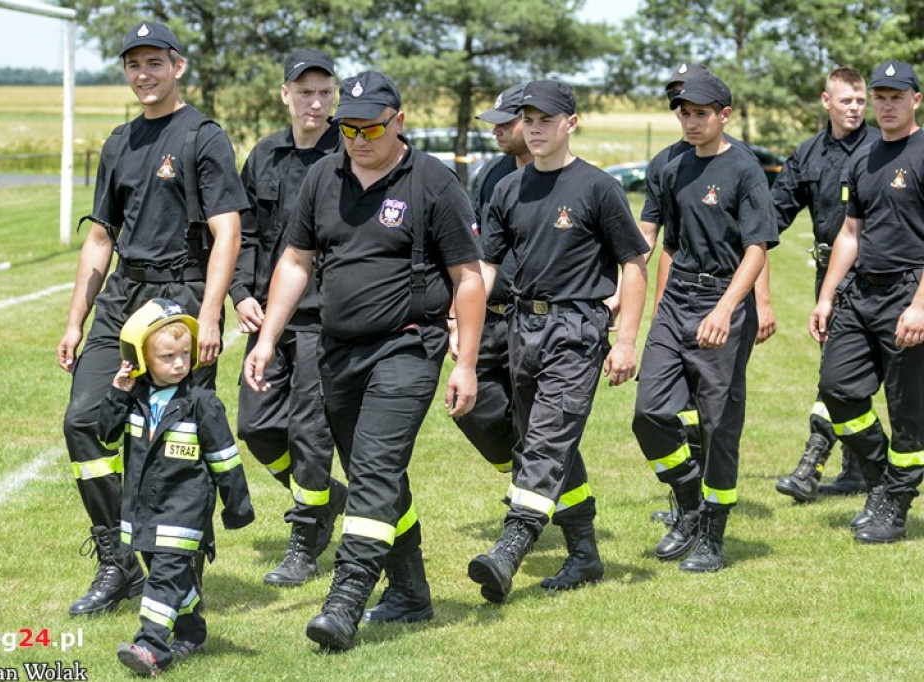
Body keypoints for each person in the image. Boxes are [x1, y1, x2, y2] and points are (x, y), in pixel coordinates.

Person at [244, 71, 485, 651]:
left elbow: (468, 278)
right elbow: (296, 261)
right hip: (336, 349)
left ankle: (347, 597)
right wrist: (267, 338)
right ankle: (410, 592)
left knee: (375, 468)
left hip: (407, 344)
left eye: (371, 127)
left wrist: (466, 361)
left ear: (399, 120)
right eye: (347, 127)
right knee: (374, 475)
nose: (358, 138)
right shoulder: (324, 176)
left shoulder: (433, 182)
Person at [56, 21, 245, 617]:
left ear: (178, 67)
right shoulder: (118, 141)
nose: (143, 74)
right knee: (85, 421)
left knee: (179, 441)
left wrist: (210, 314)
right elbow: (100, 238)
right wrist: (76, 321)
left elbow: (227, 232)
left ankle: (180, 566)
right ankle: (117, 562)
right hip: (122, 298)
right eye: (134, 64)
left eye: (154, 63)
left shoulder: (203, 137)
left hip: (179, 298)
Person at [471, 79, 649, 602]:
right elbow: (486, 268)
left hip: (577, 328)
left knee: (546, 440)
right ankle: (585, 554)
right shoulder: (507, 188)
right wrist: (463, 323)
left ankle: (510, 545)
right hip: (521, 329)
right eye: (528, 119)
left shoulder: (598, 187)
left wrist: (627, 340)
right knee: (544, 441)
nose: (534, 128)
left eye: (545, 119)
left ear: (571, 122)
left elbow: (634, 267)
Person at [632, 74, 778, 573]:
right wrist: (619, 289)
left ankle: (712, 535)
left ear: (724, 115)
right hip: (677, 301)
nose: (690, 121)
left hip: (724, 301)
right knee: (649, 412)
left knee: (718, 426)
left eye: (700, 112)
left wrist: (725, 308)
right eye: (683, 112)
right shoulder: (666, 163)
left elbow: (756, 248)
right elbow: (650, 237)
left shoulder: (745, 168)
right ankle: (689, 502)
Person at [230, 49, 346, 588]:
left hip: (327, 319)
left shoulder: (349, 154)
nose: (315, 103)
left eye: (324, 93)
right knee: (255, 426)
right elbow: (246, 234)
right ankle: (326, 499)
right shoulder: (264, 155)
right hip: (268, 317)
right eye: (304, 92)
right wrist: (238, 293)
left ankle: (304, 540)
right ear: (285, 95)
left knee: (309, 433)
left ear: (336, 97)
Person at [97, 299, 255, 676]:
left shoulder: (202, 404)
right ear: (139, 357)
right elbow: (106, 436)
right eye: (168, 356)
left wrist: (237, 508)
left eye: (185, 354)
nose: (180, 363)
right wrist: (118, 393)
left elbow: (226, 461)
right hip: (142, 511)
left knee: (165, 578)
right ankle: (191, 630)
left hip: (183, 511)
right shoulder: (133, 399)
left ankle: (151, 647)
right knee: (169, 578)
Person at [811, 60, 924, 544]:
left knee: (908, 412)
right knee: (837, 389)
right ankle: (881, 480)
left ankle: (895, 506)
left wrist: (920, 306)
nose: (885, 104)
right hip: (861, 293)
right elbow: (851, 233)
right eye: (880, 95)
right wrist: (826, 295)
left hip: (909, 292)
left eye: (896, 96)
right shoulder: (864, 157)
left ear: (915, 100)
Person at [773, 67, 878, 502]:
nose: (854, 108)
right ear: (826, 101)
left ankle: (812, 462)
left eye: (860, 101)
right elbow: (776, 210)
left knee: (840, 378)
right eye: (846, 100)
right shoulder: (809, 154)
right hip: (829, 279)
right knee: (839, 376)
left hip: (878, 277)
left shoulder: (882, 149)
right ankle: (853, 471)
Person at [452, 83, 532, 490]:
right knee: (473, 409)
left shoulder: (575, 177)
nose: (497, 131)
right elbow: (476, 249)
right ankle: (523, 475)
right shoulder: (490, 175)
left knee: (537, 420)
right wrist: (458, 317)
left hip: (536, 318)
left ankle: (539, 493)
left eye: (506, 123)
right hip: (490, 315)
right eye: (494, 124)